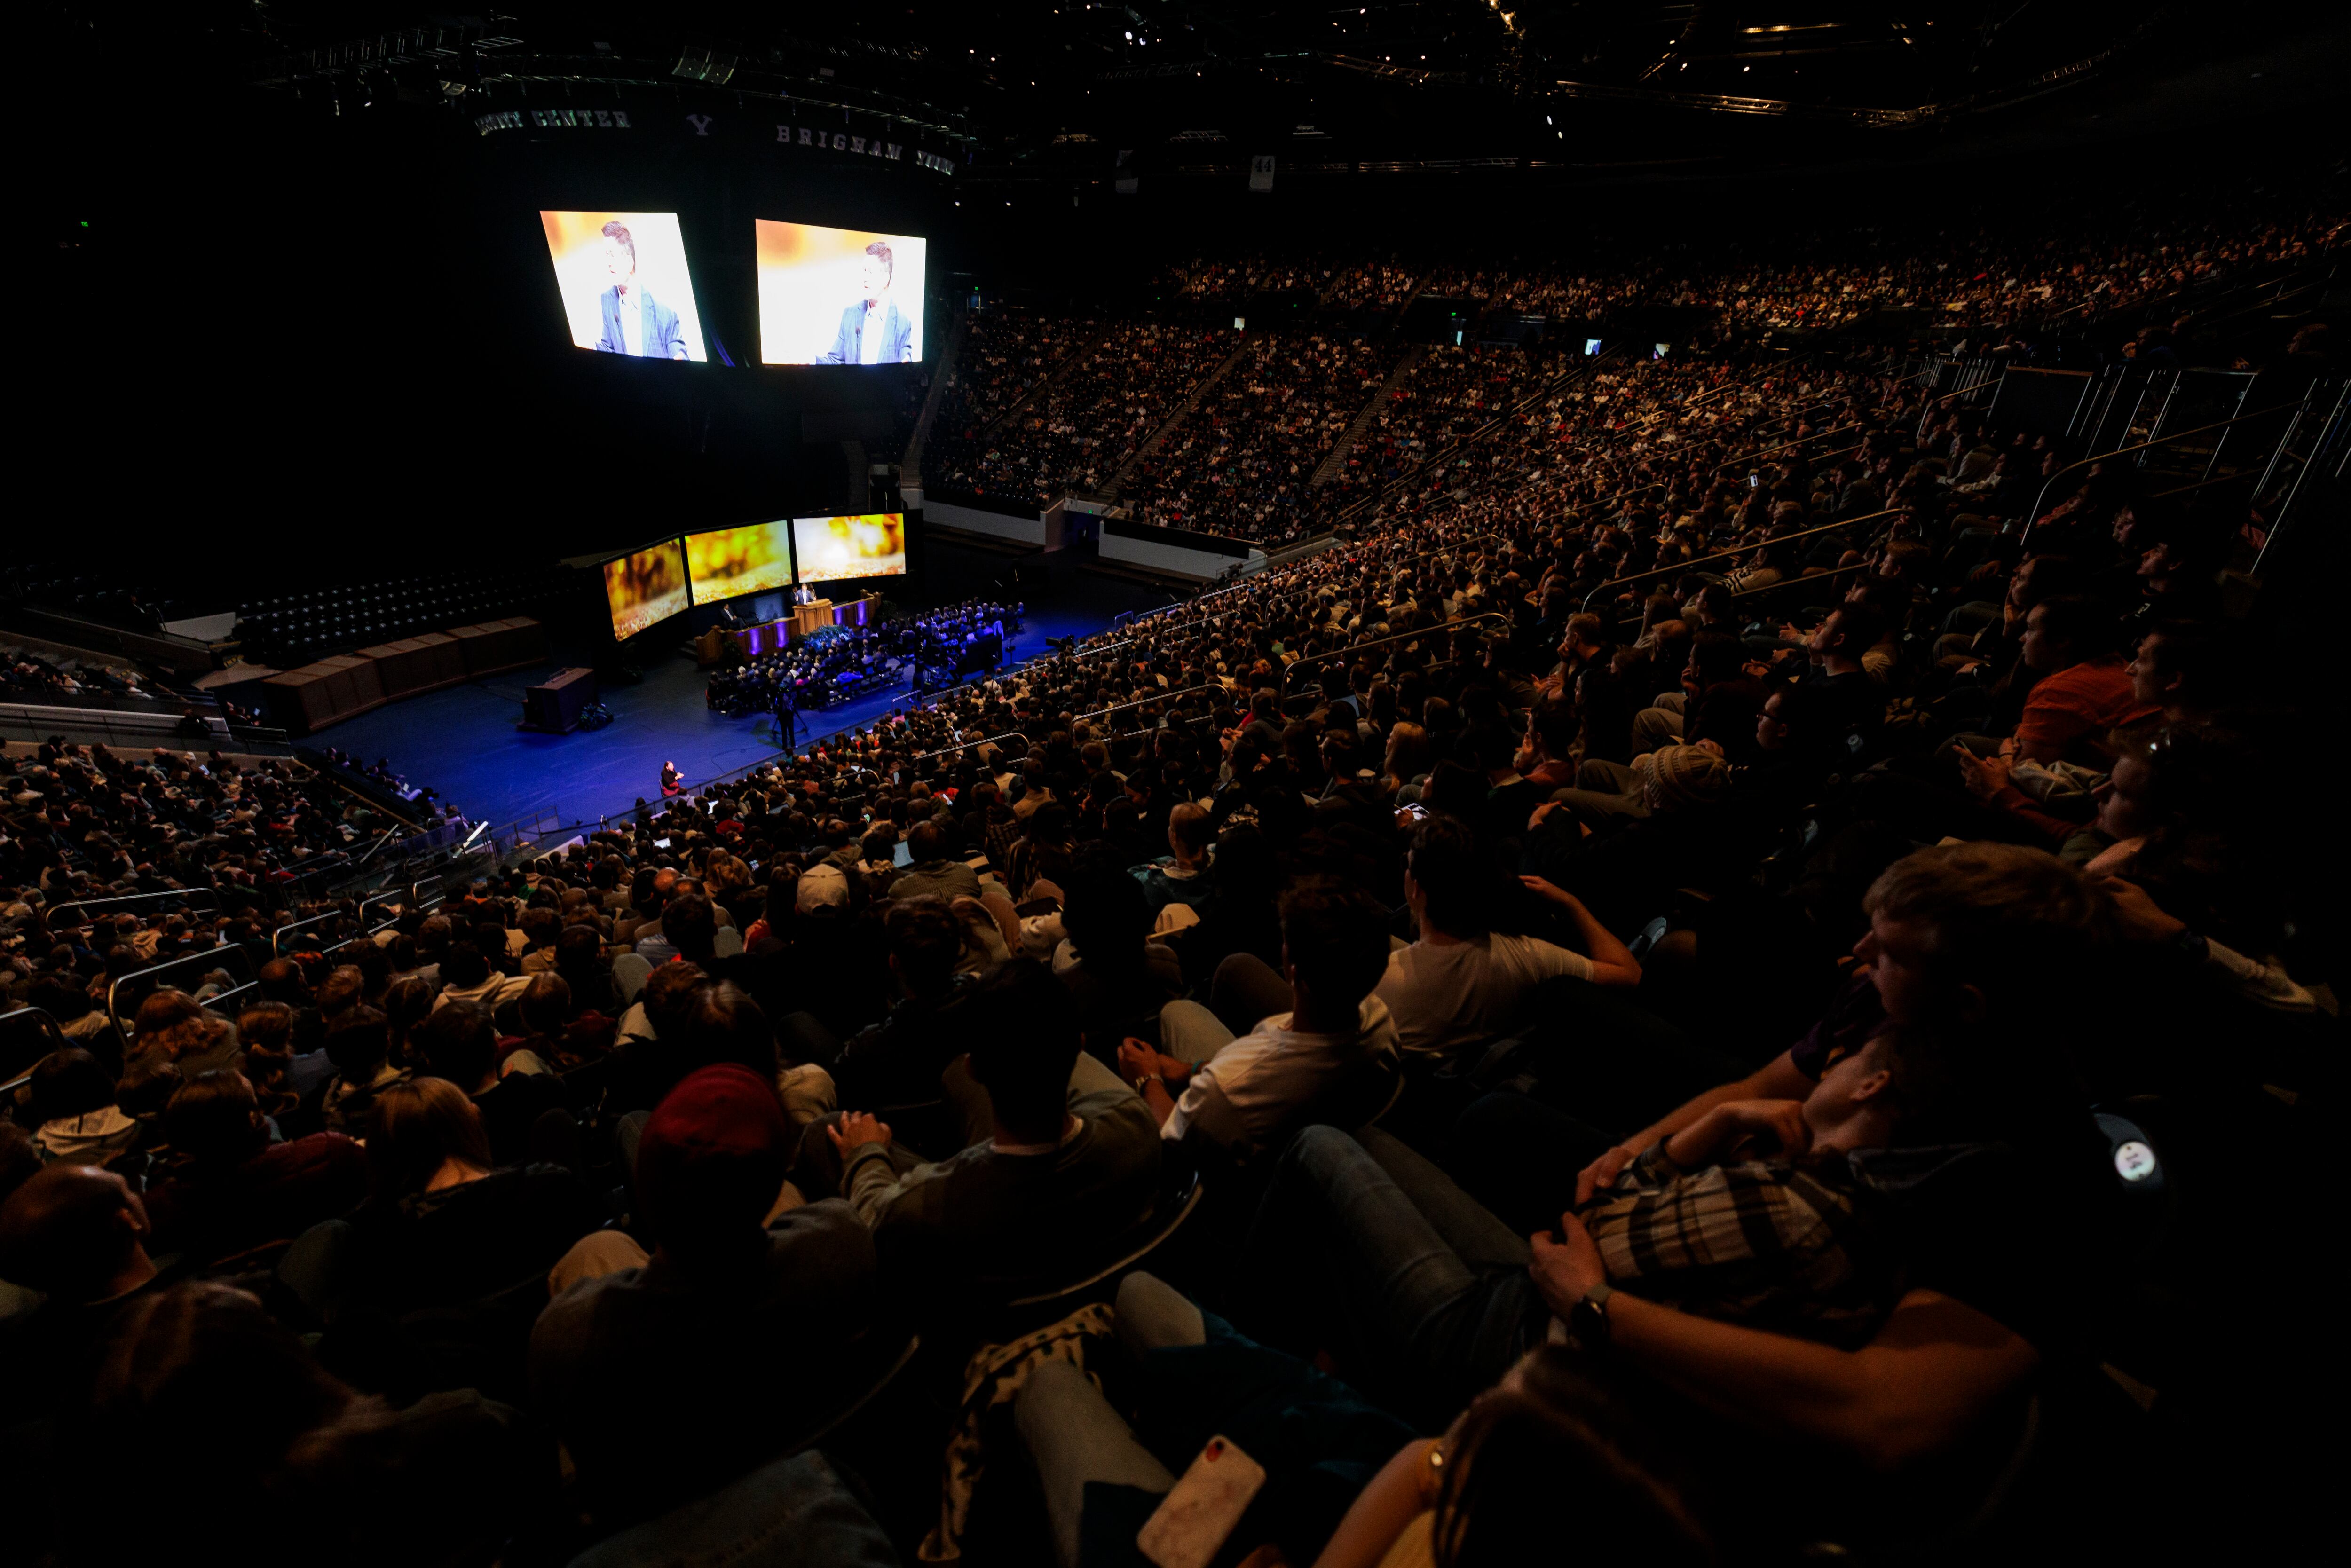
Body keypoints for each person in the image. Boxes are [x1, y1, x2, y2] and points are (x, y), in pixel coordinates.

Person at [529, 1062, 881, 1526]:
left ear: (645, 1197)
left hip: (658, 1529)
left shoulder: (569, 1335)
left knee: (598, 1247)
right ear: (774, 1180)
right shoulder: (840, 1242)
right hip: (830, 1489)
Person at [821, 957, 1161, 1300]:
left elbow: (875, 1221)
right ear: (1080, 1043)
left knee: (827, 1131)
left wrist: (865, 1154)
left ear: (974, 1068)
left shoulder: (927, 1207)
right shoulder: (1135, 1125)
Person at [1121, 878, 1401, 1160]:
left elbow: (1175, 1135)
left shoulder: (1232, 1086)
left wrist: (1147, 1078)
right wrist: (1188, 1069)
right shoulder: (1382, 1022)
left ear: (1294, 972)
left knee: (1177, 1012)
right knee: (1236, 967)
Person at [1375, 817, 1641, 1063]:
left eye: (1407, 864)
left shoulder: (1380, 983)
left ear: (1418, 889)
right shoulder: (1528, 957)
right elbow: (1630, 974)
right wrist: (1573, 904)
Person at [593, 221, 690, 360]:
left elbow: (680, 358)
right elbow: (609, 348)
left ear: (629, 263)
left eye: (612, 255)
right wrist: (593, 348)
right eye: (606, 254)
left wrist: (680, 361)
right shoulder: (607, 300)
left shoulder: (665, 314)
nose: (608, 262)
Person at [816, 240, 915, 365]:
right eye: (864, 270)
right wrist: (812, 361)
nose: (865, 278)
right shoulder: (850, 315)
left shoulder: (902, 323)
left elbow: (906, 367)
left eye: (871, 272)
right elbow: (835, 360)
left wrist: (906, 365)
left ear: (885, 280)